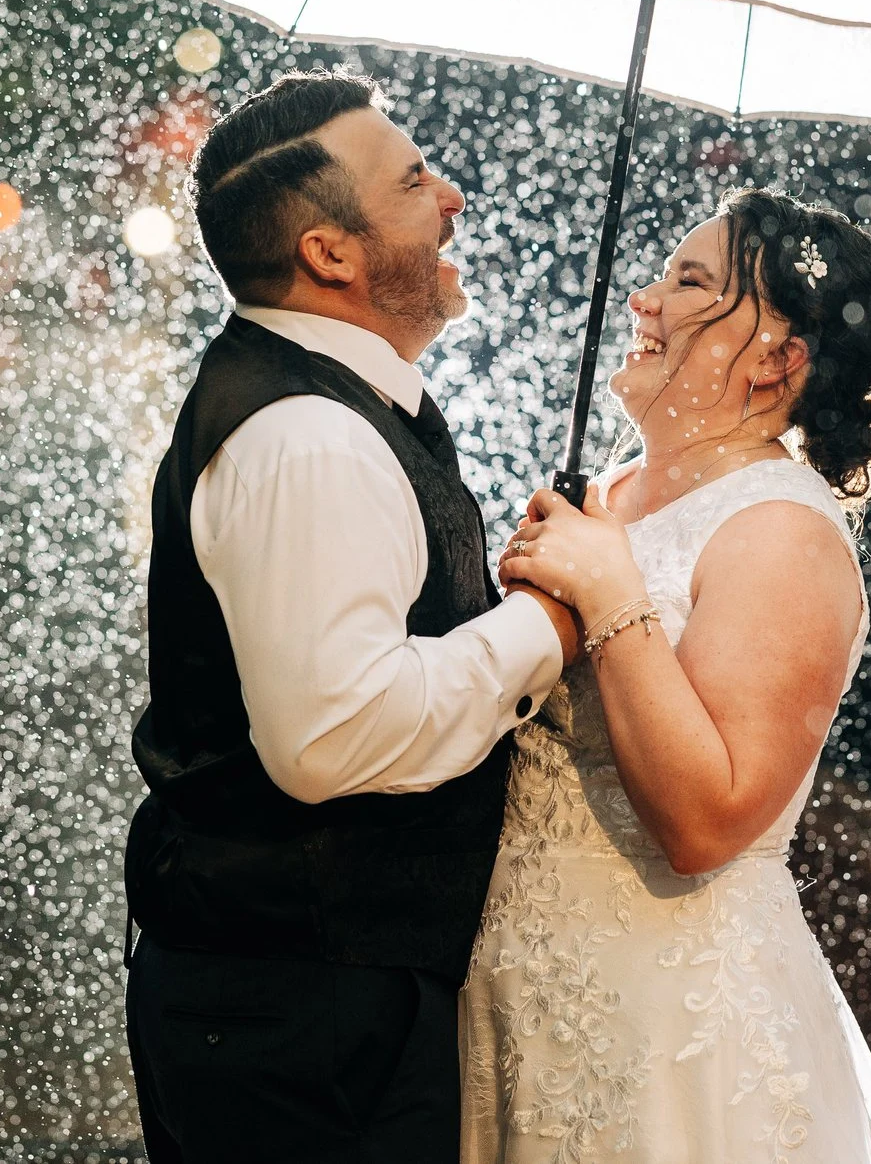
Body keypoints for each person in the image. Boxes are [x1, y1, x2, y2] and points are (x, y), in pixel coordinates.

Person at [123, 71, 580, 1164]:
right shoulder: (306, 438)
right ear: (330, 251)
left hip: (314, 996)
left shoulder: (329, 406)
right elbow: (333, 738)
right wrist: (545, 624)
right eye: (416, 178)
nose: (454, 196)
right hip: (307, 1018)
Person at [463, 188, 871, 1164]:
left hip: (672, 1020)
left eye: (690, 282)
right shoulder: (607, 495)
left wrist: (607, 590)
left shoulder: (782, 532)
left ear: (776, 357)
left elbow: (705, 821)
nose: (643, 301)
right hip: (525, 985)